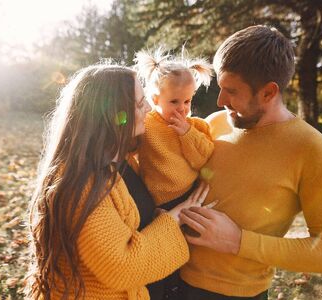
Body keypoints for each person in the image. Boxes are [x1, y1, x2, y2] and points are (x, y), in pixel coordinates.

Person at [178, 25, 322, 300]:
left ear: (269, 92)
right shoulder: (214, 123)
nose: (221, 100)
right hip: (169, 278)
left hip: (235, 295)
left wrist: (238, 242)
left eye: (231, 91)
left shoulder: (313, 150)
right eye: (221, 87)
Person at [26, 64, 211, 299]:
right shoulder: (84, 183)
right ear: (116, 115)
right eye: (139, 102)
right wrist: (175, 218)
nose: (148, 107)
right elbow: (122, 266)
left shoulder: (121, 160)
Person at [134, 48, 214, 211]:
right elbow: (130, 154)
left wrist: (187, 133)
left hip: (191, 191)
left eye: (187, 101)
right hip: (159, 201)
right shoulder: (145, 124)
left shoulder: (195, 126)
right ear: (156, 99)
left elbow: (204, 159)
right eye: (174, 101)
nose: (182, 108)